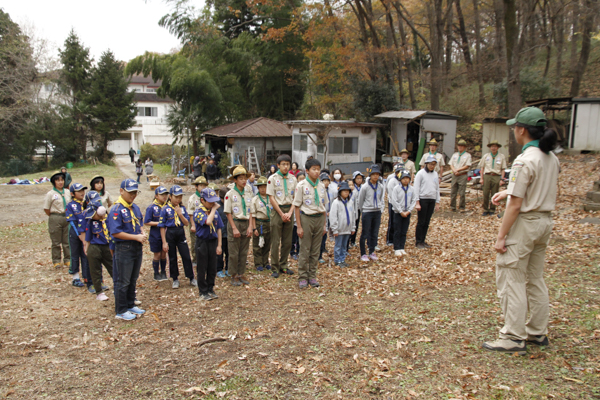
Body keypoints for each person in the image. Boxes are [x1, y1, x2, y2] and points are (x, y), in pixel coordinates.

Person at [482, 107, 559, 355]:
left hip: (526, 224)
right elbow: (535, 188)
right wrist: (507, 191)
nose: (514, 131)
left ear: (522, 130)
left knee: (511, 276)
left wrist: (501, 236)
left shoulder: (524, 160)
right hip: (545, 221)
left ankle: (514, 336)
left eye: (515, 127)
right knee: (535, 277)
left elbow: (515, 205)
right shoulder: (550, 158)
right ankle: (537, 331)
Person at [107, 178, 147, 321]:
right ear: (121, 191)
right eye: (130, 192)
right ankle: (121, 309)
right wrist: (135, 237)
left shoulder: (134, 208)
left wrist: (142, 233)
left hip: (136, 247)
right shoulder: (116, 210)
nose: (133, 195)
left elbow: (139, 223)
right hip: (124, 247)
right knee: (122, 280)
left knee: (132, 278)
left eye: (135, 192)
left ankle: (130, 304)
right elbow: (115, 232)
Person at [293, 158, 328, 289]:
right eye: (314, 169)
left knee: (315, 250)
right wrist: (299, 226)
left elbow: (323, 206)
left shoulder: (321, 185)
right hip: (306, 218)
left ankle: (312, 276)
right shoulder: (301, 186)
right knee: (305, 249)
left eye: (318, 169)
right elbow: (297, 206)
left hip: (319, 219)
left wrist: (324, 225)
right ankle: (302, 277)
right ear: (307, 171)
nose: (317, 172)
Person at [159, 185, 196, 289]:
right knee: (172, 257)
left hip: (180, 232)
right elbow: (162, 226)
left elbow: (186, 223)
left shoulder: (182, 208)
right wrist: (164, 242)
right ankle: (175, 278)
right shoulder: (165, 209)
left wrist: (180, 214)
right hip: (170, 233)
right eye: (176, 197)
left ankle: (191, 277)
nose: (178, 199)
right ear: (170, 196)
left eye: (180, 197)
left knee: (186, 255)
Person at [267, 155, 297, 278]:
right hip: (277, 210)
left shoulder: (293, 179)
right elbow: (271, 197)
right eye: (283, 164)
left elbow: (296, 197)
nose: (285, 167)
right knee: (275, 240)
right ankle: (274, 267)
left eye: (287, 164)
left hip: (289, 209)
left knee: (287, 240)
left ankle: (283, 265)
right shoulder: (272, 179)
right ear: (278, 165)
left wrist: (290, 213)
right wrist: (281, 213)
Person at [224, 166, 254, 286]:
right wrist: (234, 228)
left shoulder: (248, 192)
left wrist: (250, 226)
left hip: (246, 222)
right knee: (234, 251)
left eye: (245, 178)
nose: (243, 180)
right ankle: (233, 274)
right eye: (240, 178)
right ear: (235, 180)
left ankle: (241, 273)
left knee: (243, 250)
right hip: (235, 222)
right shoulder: (230, 194)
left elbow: (251, 210)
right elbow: (228, 212)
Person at [192, 188, 224, 301]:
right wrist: (214, 209)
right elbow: (208, 222)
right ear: (202, 200)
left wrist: (219, 245)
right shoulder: (198, 212)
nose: (213, 204)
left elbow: (219, 228)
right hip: (202, 243)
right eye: (210, 202)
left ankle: (211, 288)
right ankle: (203, 291)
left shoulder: (214, 213)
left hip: (213, 242)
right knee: (202, 267)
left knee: (212, 267)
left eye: (214, 201)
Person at [84, 202, 114, 301]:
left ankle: (119, 286)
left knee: (113, 267)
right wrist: (86, 248)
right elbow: (88, 237)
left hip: (107, 247)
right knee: (95, 270)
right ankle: (99, 292)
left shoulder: (108, 220)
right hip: (94, 247)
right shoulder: (90, 222)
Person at [66, 183, 92, 291]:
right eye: (79, 191)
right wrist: (79, 235)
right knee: (75, 254)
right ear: (72, 194)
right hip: (75, 233)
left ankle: (86, 276)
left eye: (83, 190)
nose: (82, 193)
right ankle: (75, 277)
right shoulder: (71, 205)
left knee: (85, 254)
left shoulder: (86, 204)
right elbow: (72, 221)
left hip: (85, 233)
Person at [44, 170, 71, 268]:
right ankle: (56, 260)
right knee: (55, 241)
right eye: (58, 180)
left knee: (67, 240)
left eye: (62, 180)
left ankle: (68, 259)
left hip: (66, 217)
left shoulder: (68, 192)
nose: (60, 182)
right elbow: (46, 208)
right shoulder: (50, 194)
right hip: (55, 217)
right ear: (54, 182)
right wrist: (54, 216)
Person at [357, 165, 385, 262]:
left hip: (377, 211)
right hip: (367, 211)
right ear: (370, 175)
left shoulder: (380, 186)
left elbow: (381, 198)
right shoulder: (365, 187)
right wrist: (363, 210)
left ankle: (372, 251)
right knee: (365, 232)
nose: (375, 176)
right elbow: (360, 200)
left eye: (377, 174)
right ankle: (363, 253)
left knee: (374, 232)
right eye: (374, 174)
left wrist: (380, 207)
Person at [414, 155, 440, 249]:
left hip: (431, 199)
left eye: (434, 164)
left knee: (427, 221)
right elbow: (416, 188)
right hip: (423, 198)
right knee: (421, 221)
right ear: (426, 164)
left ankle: (423, 240)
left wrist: (437, 202)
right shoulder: (420, 174)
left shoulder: (435, 174)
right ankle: (418, 241)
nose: (432, 166)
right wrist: (417, 202)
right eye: (430, 164)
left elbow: (437, 188)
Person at [144, 186, 169, 281]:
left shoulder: (167, 207)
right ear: (156, 195)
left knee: (163, 254)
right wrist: (159, 223)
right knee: (157, 254)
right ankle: (156, 273)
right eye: (162, 194)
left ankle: (163, 272)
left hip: (166, 234)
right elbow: (147, 222)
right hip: (155, 235)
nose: (164, 196)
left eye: (165, 194)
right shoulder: (151, 207)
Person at [329, 181, 355, 267]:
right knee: (338, 246)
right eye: (344, 191)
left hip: (347, 229)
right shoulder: (336, 202)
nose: (346, 192)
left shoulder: (350, 202)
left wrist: (353, 228)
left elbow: (353, 215)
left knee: (344, 246)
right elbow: (333, 216)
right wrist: (334, 229)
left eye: (348, 191)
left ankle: (342, 259)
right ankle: (337, 260)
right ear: (340, 192)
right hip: (339, 229)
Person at [391, 170, 416, 257]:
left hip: (407, 212)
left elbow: (413, 200)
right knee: (397, 230)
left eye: (407, 178)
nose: (405, 180)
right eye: (404, 178)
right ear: (400, 179)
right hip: (398, 213)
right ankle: (396, 248)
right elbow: (394, 201)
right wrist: (401, 211)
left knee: (404, 230)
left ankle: (402, 247)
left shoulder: (412, 189)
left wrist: (409, 211)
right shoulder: (396, 189)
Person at [480, 140, 508, 216]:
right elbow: (482, 168)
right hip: (487, 175)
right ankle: (485, 209)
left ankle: (492, 209)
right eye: (492, 146)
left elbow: (503, 169)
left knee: (494, 193)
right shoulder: (486, 156)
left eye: (495, 146)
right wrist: (481, 178)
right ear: (490, 148)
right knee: (485, 193)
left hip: (496, 176)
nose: (493, 148)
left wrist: (502, 179)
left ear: (498, 147)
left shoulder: (501, 157)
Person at [251, 176, 272, 271]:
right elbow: (253, 215)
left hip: (269, 223)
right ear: (258, 188)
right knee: (257, 244)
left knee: (267, 243)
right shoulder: (255, 199)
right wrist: (254, 228)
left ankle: (265, 262)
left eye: (265, 186)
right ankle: (258, 263)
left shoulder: (271, 198)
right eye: (261, 187)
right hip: (259, 223)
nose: (263, 189)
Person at [188, 176, 208, 267]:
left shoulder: (207, 197)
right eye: (201, 185)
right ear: (196, 186)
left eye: (204, 185)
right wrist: (193, 225)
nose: (203, 187)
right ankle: (195, 258)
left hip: (205, 222)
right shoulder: (193, 198)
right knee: (195, 241)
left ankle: (205, 257)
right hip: (195, 222)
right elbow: (191, 213)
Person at [449, 139, 472, 212]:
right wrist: (454, 170)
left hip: (462, 175)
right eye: (459, 146)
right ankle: (452, 206)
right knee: (453, 191)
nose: (460, 147)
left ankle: (462, 207)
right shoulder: (455, 155)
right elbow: (451, 164)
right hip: (455, 174)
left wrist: (458, 170)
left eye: (462, 146)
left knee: (462, 192)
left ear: (465, 147)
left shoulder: (467, 155)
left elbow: (467, 165)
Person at [385, 164, 404, 246]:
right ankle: (390, 239)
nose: (399, 173)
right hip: (393, 203)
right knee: (392, 221)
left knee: (400, 222)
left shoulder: (403, 180)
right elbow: (389, 191)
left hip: (402, 203)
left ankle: (398, 238)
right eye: (398, 172)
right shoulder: (392, 180)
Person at [290, 170, 305, 260]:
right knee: (293, 237)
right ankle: (292, 252)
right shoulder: (294, 190)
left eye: (303, 178)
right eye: (300, 179)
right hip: (295, 218)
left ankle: (299, 251)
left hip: (303, 217)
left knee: (301, 237)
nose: (302, 180)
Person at [216, 187, 230, 278]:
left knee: (229, 252)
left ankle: (229, 268)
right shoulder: (216, 206)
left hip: (229, 233)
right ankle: (219, 269)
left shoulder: (231, 204)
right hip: (220, 234)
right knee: (219, 253)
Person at [318, 172, 332, 264]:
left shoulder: (332, 190)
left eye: (327, 181)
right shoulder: (318, 189)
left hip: (328, 215)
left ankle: (321, 253)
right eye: (324, 181)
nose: (326, 183)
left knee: (324, 234)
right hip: (319, 215)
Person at [349, 172, 364, 248]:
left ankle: (353, 241)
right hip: (352, 209)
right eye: (357, 178)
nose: (359, 180)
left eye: (360, 178)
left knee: (356, 225)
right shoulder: (352, 188)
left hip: (360, 208)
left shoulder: (363, 187)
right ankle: (348, 241)